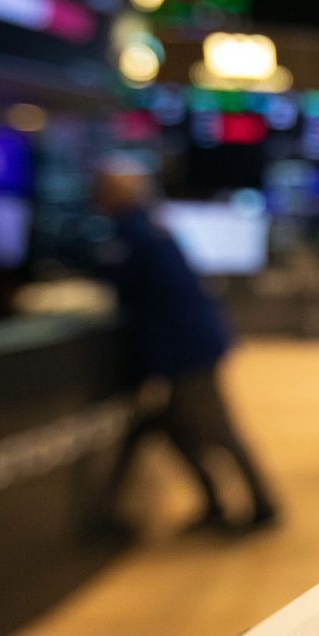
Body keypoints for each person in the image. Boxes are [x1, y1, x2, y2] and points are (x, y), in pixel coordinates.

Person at [95, 164, 279, 532]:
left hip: (187, 349)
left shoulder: (135, 234)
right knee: (177, 430)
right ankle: (216, 503)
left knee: (215, 429)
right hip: (184, 346)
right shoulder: (148, 227)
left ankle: (264, 508)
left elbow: (124, 283)